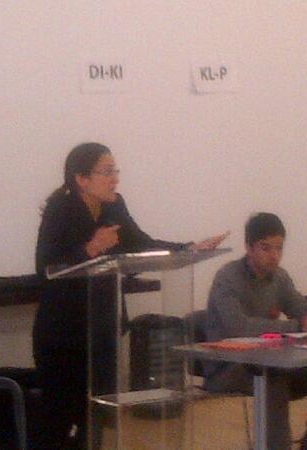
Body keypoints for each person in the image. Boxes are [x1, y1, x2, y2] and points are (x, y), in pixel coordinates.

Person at [33, 142, 228, 449]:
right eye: (107, 172)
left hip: (102, 331)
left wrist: (187, 249)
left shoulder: (114, 206)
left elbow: (140, 244)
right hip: (64, 335)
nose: (116, 179)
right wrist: (90, 248)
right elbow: (44, 267)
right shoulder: (61, 209)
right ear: (81, 179)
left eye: (116, 171)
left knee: (97, 416)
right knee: (61, 420)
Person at [205, 212, 307, 450]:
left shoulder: (280, 277)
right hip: (228, 365)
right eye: (266, 248)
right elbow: (238, 328)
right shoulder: (227, 277)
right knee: (272, 377)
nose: (274, 255)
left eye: (279, 248)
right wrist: (297, 326)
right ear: (249, 247)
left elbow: (300, 307)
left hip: (269, 360)